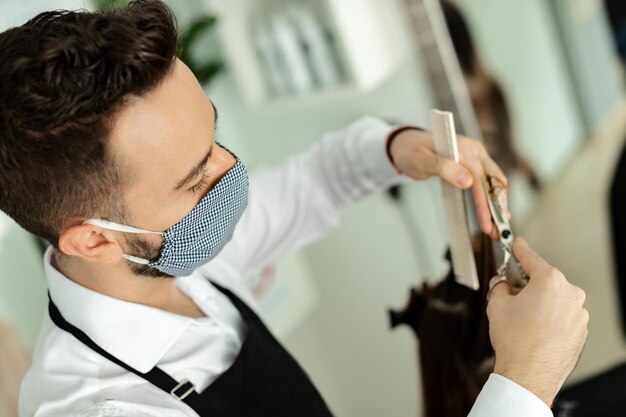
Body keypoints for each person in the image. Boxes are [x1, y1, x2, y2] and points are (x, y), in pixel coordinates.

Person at [0, 1, 587, 416]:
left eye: (215, 140)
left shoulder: (171, 256)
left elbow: (317, 179)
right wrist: (526, 381)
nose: (230, 172)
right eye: (194, 178)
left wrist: (400, 148)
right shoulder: (106, 409)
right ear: (94, 239)